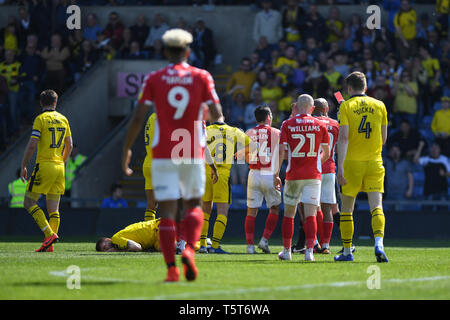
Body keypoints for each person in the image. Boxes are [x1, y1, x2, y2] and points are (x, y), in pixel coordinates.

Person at [121, 29, 222, 282]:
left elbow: (137, 116)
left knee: (166, 212)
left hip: (164, 155)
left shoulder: (155, 78)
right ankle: (188, 250)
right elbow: (217, 112)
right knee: (194, 206)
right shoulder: (202, 76)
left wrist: (127, 149)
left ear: (166, 52)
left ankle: (171, 269)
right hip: (191, 154)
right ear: (188, 51)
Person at [335, 71, 389, 263]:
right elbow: (384, 140)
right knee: (376, 206)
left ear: (349, 88)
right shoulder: (380, 105)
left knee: (347, 209)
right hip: (375, 162)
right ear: (365, 87)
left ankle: (348, 251)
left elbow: (343, 138)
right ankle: (379, 243)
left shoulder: (346, 106)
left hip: (352, 163)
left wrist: (339, 167)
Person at [274, 94, 330, 262]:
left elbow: (281, 151)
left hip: (293, 175)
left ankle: (287, 252)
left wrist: (276, 174)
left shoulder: (287, 124)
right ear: (312, 108)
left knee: (289, 214)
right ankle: (310, 252)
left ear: (296, 107)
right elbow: (327, 152)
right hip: (313, 175)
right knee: (311, 214)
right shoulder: (320, 124)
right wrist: (316, 162)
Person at [20, 89, 73, 252]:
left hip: (44, 165)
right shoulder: (63, 119)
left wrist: (23, 164)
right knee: (54, 209)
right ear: (55, 103)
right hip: (59, 166)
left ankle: (49, 234)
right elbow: (69, 145)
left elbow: (32, 144)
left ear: (41, 103)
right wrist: (62, 162)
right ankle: (49, 245)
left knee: (29, 202)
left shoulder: (40, 119)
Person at [199, 115, 251, 254]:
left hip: (205, 173)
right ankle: (215, 246)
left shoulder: (206, 130)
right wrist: (239, 153)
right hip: (222, 174)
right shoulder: (233, 130)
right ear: (223, 117)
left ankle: (203, 245)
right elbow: (251, 145)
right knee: (222, 211)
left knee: (205, 210)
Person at [244, 105, 281, 254]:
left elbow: (246, 156)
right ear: (268, 117)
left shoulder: (249, 133)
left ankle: (249, 246)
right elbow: (281, 153)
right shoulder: (277, 132)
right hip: (269, 173)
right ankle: (264, 241)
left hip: (253, 173)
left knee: (251, 211)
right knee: (275, 208)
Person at [312, 98, 339, 254]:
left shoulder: (310, 123)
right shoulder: (335, 124)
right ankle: (326, 245)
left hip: (313, 168)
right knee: (328, 207)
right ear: (327, 108)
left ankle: (315, 242)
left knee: (313, 207)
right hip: (329, 168)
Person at [413, 142, 449, 209]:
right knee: (426, 212)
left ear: (439, 150)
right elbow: (415, 160)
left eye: (436, 148)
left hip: (442, 191)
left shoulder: (444, 159)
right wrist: (420, 147)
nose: (434, 150)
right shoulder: (426, 159)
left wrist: (444, 174)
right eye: (432, 148)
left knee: (443, 213)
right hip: (428, 191)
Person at [96, 218, 161, 252]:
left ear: (108, 239)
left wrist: (116, 251)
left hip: (158, 229)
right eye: (104, 250)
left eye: (105, 247)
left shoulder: (115, 238)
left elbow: (137, 247)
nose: (107, 250)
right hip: (156, 234)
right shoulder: (119, 240)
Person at [384, 144, 414, 211]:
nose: (395, 152)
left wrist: (410, 190)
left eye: (397, 150)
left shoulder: (405, 162)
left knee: (400, 215)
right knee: (389, 215)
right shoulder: (386, 162)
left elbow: (410, 177)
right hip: (389, 193)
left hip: (401, 194)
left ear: (400, 152)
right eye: (393, 150)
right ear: (390, 152)